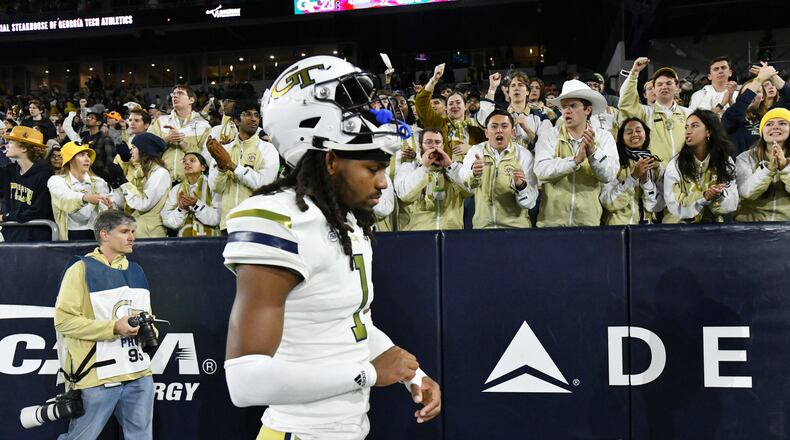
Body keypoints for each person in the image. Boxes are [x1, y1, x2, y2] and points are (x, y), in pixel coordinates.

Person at [223, 55, 441, 439]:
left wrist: (411, 374)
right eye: (372, 169)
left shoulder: (346, 222)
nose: (383, 184)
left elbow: (349, 324)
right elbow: (245, 383)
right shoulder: (278, 219)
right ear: (330, 161)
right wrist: (371, 373)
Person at [54, 209, 155, 440]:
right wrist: (113, 328)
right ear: (105, 235)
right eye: (124, 231)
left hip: (138, 374)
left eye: (132, 231)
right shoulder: (80, 269)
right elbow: (64, 321)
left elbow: (148, 316)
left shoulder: (136, 270)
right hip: (96, 377)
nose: (131, 237)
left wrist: (148, 329)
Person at [533, 80, 619, 227]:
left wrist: (593, 153)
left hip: (588, 224)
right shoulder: (548, 136)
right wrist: (574, 161)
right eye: (564, 106)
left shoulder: (604, 137)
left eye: (573, 106)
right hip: (551, 224)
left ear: (588, 110)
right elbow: (541, 171)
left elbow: (609, 175)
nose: (566, 110)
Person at [455, 110, 538, 228]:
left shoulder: (524, 155)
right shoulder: (476, 151)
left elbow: (530, 203)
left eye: (504, 126)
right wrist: (473, 173)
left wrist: (521, 186)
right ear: (486, 132)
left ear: (513, 132)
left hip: (516, 229)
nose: (499, 130)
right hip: (483, 228)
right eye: (494, 126)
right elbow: (465, 180)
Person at [206, 100, 279, 232]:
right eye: (248, 114)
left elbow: (264, 184)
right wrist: (221, 168)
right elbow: (216, 188)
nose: (253, 119)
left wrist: (232, 165)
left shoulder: (268, 149)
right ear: (236, 121)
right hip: (228, 224)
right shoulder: (223, 150)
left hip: (256, 223)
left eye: (257, 115)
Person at [663, 109, 738, 223]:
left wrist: (719, 196)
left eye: (694, 126)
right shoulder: (675, 164)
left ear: (709, 131)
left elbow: (732, 204)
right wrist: (703, 196)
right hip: (679, 227)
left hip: (713, 228)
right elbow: (674, 206)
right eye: (686, 127)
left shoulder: (724, 161)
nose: (688, 131)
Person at [619, 57, 691, 167]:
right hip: (655, 175)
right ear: (654, 89)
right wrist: (634, 73)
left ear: (677, 87)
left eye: (669, 83)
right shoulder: (645, 112)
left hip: (684, 174)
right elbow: (626, 103)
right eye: (659, 84)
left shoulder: (689, 114)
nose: (664, 87)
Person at [395, 128, 469, 230]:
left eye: (438, 142)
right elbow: (404, 195)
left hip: (451, 235)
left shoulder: (454, 169)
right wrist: (424, 167)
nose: (434, 146)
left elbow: (470, 189)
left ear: (443, 146)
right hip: (417, 235)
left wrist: (449, 166)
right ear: (420, 146)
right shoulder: (408, 168)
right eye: (428, 142)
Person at [47, 141, 119, 240]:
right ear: (70, 160)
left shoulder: (99, 182)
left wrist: (110, 207)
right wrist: (85, 198)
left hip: (97, 235)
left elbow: (111, 208)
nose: (87, 159)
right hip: (70, 235)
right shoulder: (56, 181)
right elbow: (65, 197)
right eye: (81, 155)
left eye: (88, 155)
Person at [600, 117, 664, 225]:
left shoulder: (655, 165)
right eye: (629, 132)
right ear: (621, 137)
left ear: (646, 135)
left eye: (638, 131)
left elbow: (657, 206)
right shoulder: (613, 163)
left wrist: (646, 182)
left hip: (646, 232)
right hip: (618, 231)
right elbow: (609, 202)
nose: (634, 134)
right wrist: (633, 177)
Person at [416, 63, 485, 162]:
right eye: (451, 104)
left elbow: (490, 149)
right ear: (446, 108)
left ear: (465, 106)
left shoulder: (477, 128)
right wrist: (434, 80)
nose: (454, 106)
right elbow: (421, 104)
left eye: (458, 102)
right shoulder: (439, 124)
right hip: (445, 173)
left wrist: (471, 149)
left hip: (471, 174)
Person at [148, 84, 212, 184]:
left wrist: (183, 143)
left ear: (191, 100)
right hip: (162, 181)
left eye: (180, 93)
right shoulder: (161, 122)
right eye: (173, 94)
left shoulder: (203, 126)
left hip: (191, 182)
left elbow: (205, 158)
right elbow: (147, 148)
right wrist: (166, 140)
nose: (174, 96)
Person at [735, 108, 790, 222]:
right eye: (769, 124)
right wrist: (768, 170)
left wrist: (785, 167)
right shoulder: (745, 158)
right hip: (751, 227)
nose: (775, 127)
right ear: (762, 131)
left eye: (782, 123)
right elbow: (745, 192)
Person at [111, 133, 170, 238]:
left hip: (151, 234)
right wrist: (116, 185)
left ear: (144, 150)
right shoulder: (140, 172)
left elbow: (143, 204)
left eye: (134, 148)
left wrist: (124, 182)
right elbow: (126, 200)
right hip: (136, 230)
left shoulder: (160, 173)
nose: (131, 151)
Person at [0, 125, 54, 241]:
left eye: (11, 142)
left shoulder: (45, 174)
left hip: (36, 239)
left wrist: (7, 217)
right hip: (13, 234)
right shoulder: (10, 171)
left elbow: (40, 211)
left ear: (24, 148)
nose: (7, 144)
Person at [479, 72, 549, 151]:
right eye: (513, 86)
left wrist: (526, 128)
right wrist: (492, 88)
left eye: (520, 85)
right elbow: (483, 121)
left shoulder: (541, 116)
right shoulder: (499, 115)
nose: (516, 88)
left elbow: (546, 145)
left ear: (527, 92)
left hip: (532, 161)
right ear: (509, 93)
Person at [161, 151, 221, 236]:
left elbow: (217, 218)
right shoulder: (176, 189)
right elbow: (166, 220)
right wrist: (182, 209)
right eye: (184, 161)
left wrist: (196, 205)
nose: (187, 163)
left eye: (192, 160)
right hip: (183, 243)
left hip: (211, 241)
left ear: (203, 167)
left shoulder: (213, 186)